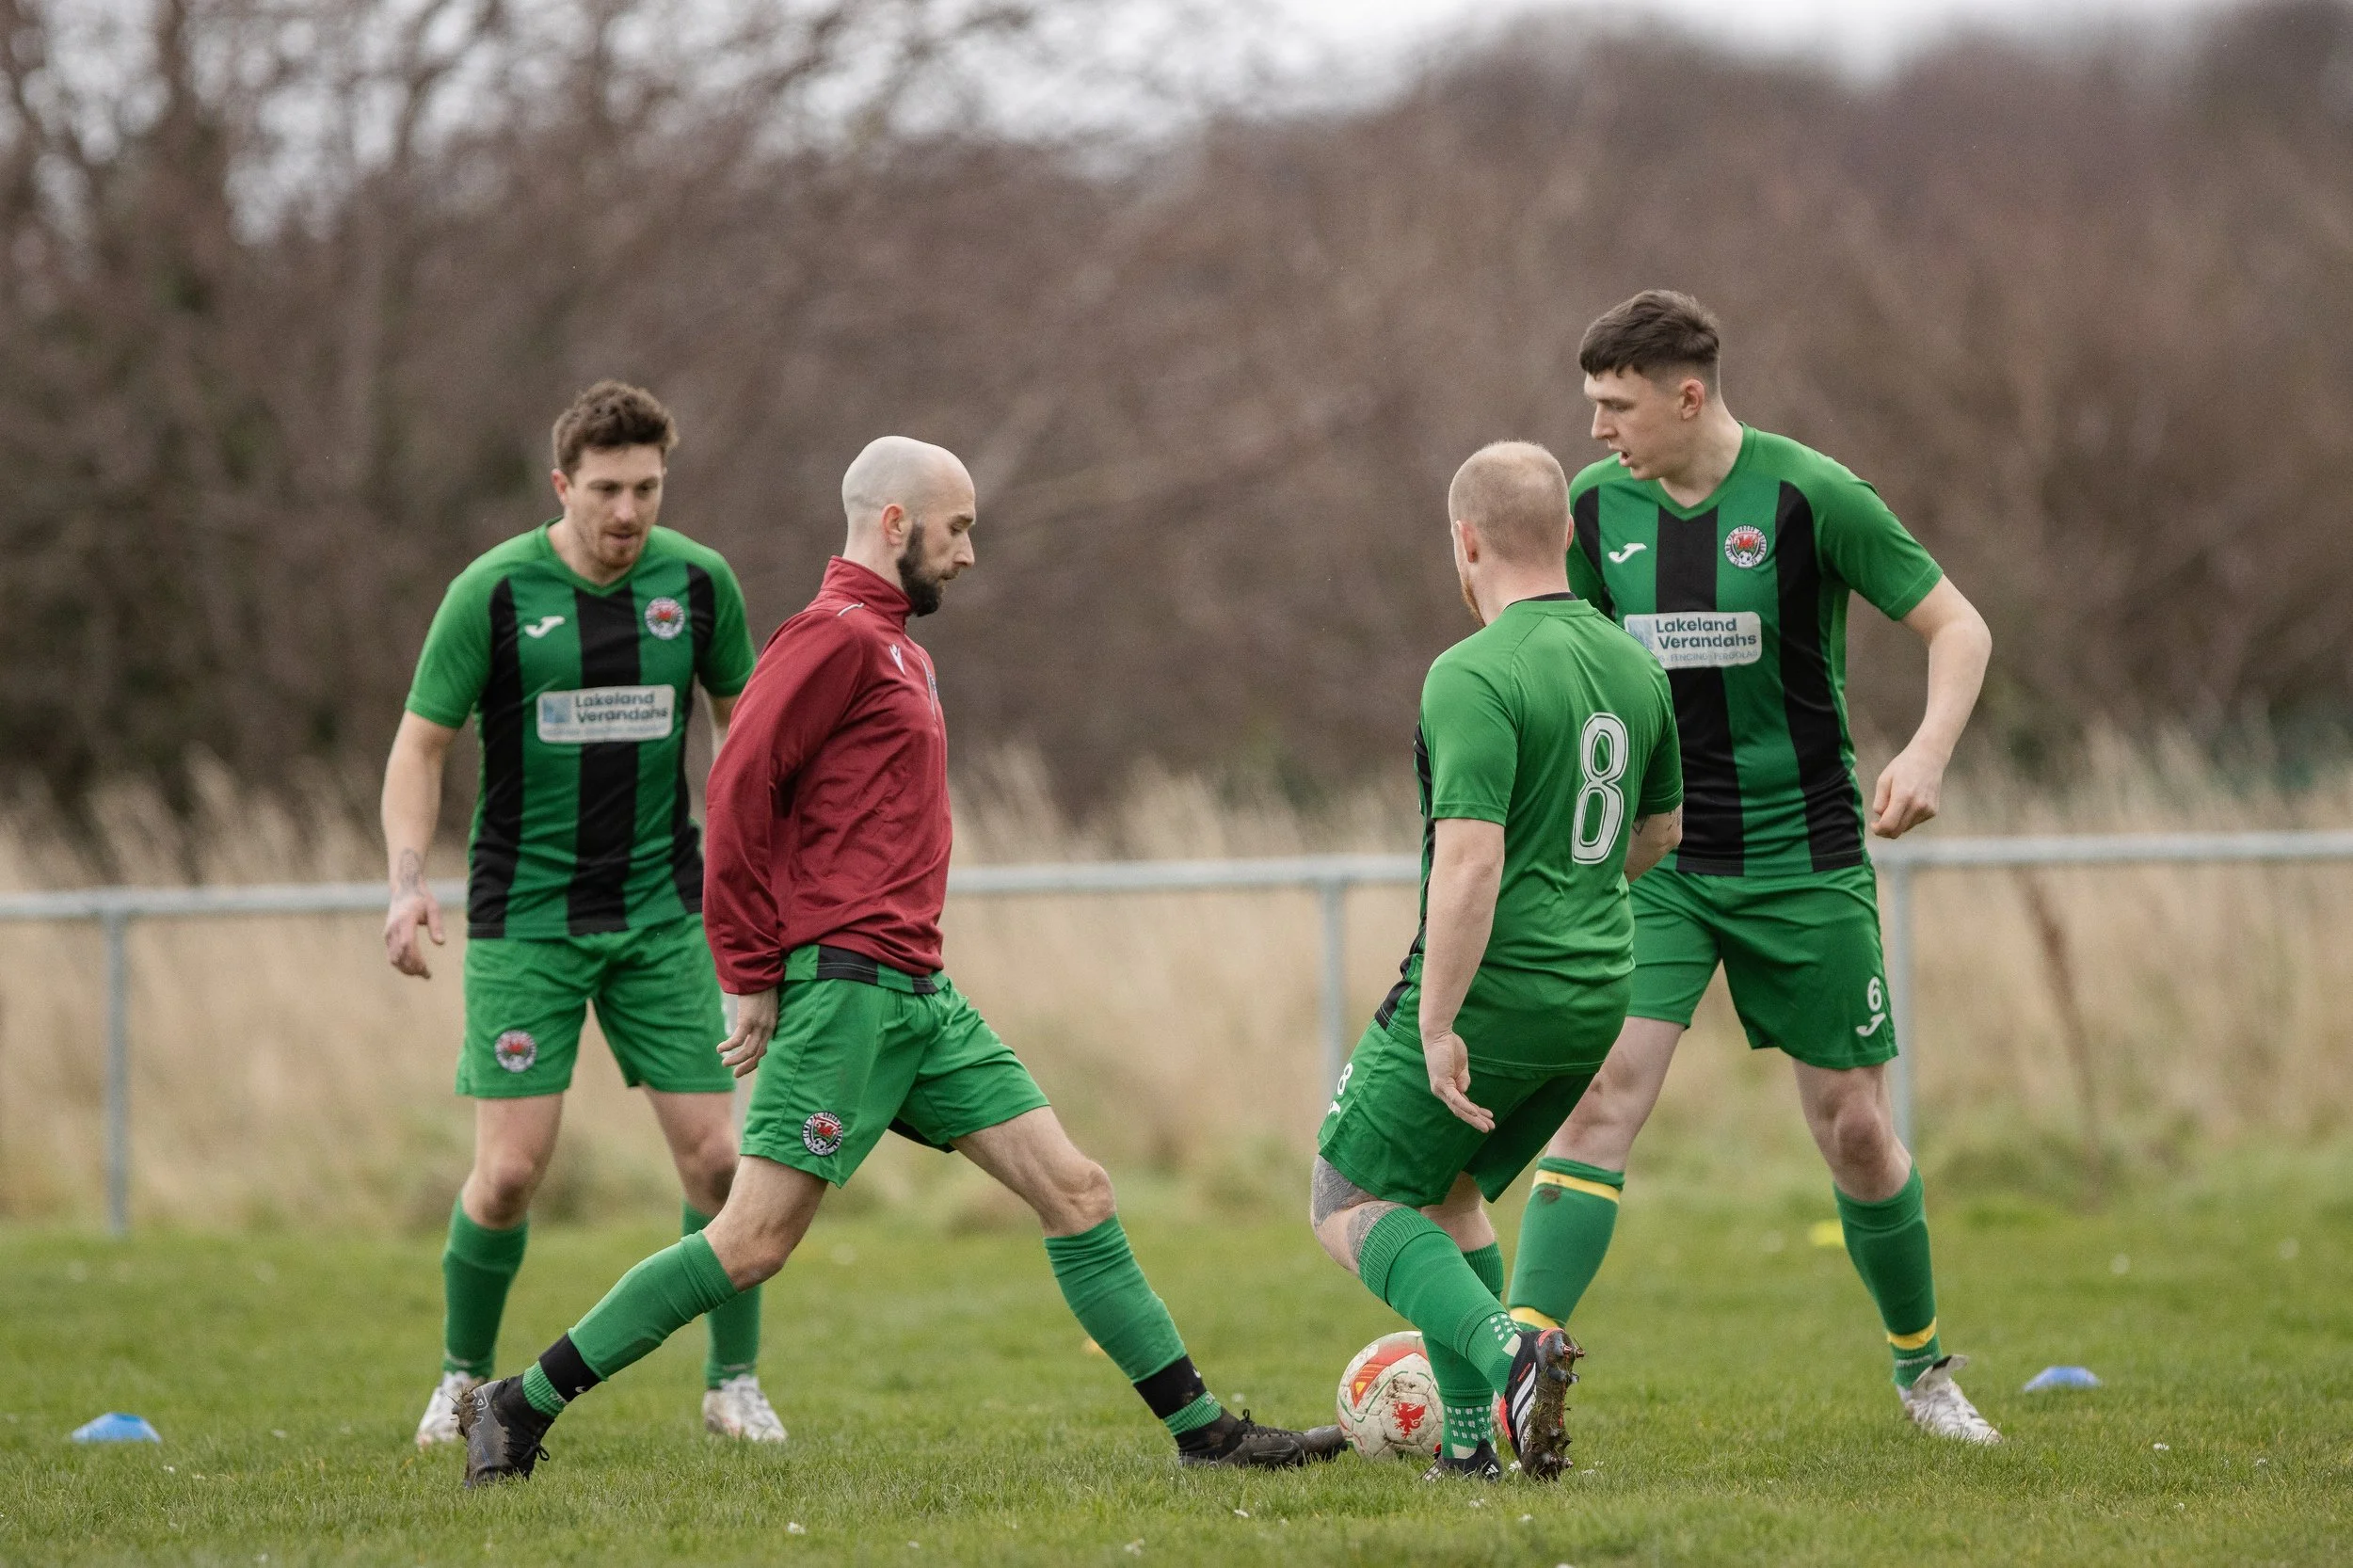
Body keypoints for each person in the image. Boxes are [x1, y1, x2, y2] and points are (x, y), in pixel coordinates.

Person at [455, 436, 1342, 1484]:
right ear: (893, 524)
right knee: (748, 1243)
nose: (967, 553)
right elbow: (738, 787)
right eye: (956, 528)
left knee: (1079, 1191)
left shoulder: (897, 648)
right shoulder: (829, 636)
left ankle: (1205, 1437)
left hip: (921, 998)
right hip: (846, 995)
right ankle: (517, 1404)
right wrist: (746, 967)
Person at [1504, 290, 2001, 1443]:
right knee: (1597, 1103)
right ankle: (1512, 1365)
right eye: (1590, 405)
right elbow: (1559, 654)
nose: (1595, 430)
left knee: (1856, 1130)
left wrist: (1925, 752)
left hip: (1805, 856)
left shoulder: (1808, 494)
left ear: (1689, 394)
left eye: (1615, 404)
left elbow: (1958, 627)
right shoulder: (1592, 510)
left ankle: (1924, 1374)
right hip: (1660, 859)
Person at [384, 381, 784, 1448]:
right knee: (510, 1172)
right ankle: (463, 1381)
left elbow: (744, 742)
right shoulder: (495, 592)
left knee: (718, 1162)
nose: (627, 511)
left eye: (646, 488)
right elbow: (421, 743)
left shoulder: (698, 586)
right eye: (606, 489)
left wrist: (766, 883)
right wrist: (406, 876)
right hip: (525, 917)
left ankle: (731, 1383)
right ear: (562, 484)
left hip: (662, 915)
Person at [1311, 441, 1685, 1482]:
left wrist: (1435, 1025)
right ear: (1568, 534)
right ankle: (1471, 1450)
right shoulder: (1634, 663)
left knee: (1345, 1194)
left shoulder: (1471, 670)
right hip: (1598, 989)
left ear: (1463, 542)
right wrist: (1572, 884)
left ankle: (1510, 1349)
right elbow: (1659, 830)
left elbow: (1468, 862)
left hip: (1497, 991)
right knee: (1451, 1191)